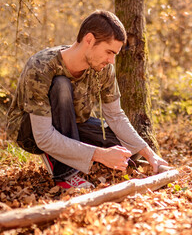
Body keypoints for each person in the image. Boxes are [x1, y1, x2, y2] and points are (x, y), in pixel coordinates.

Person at [6, 10, 168, 189]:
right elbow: (43, 136)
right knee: (61, 85)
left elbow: (115, 116)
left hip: (74, 124)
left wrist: (149, 153)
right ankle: (65, 174)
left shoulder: (103, 68)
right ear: (89, 40)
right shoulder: (41, 66)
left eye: (114, 54)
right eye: (109, 52)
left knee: (128, 149)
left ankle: (68, 153)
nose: (111, 60)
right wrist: (100, 154)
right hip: (30, 131)